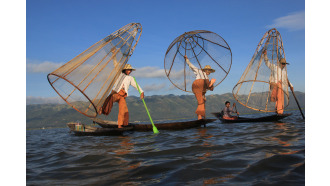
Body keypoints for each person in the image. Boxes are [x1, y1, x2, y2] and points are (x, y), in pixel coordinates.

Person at [100, 64, 144, 128]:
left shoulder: (130, 78)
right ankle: (102, 109)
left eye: (130, 70)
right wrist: (114, 56)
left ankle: (120, 125)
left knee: (123, 110)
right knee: (109, 99)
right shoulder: (119, 75)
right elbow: (116, 65)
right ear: (125, 70)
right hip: (116, 92)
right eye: (128, 70)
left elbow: (136, 85)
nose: (130, 71)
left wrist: (141, 92)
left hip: (123, 95)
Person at [184, 55, 216, 120]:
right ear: (205, 70)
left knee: (201, 102)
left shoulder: (207, 78)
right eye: (208, 71)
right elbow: (191, 66)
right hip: (197, 85)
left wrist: (204, 96)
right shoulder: (199, 71)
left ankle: (201, 117)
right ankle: (199, 117)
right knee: (201, 102)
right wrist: (186, 59)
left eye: (209, 71)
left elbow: (204, 89)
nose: (209, 72)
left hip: (201, 88)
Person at [263, 50, 293, 115]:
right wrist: (265, 55)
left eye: (284, 64)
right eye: (282, 64)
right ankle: (278, 111)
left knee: (280, 99)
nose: (283, 65)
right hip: (275, 84)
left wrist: (291, 86)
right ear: (280, 63)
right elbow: (267, 63)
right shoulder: (275, 67)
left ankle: (279, 111)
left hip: (280, 86)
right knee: (277, 98)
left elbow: (287, 80)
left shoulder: (284, 72)